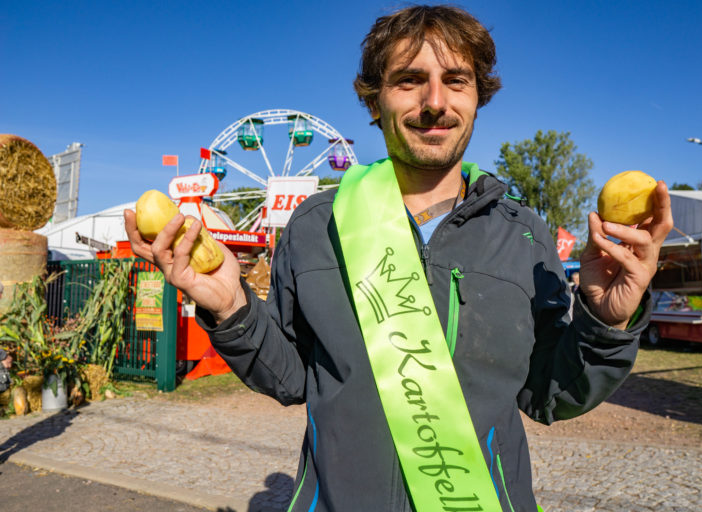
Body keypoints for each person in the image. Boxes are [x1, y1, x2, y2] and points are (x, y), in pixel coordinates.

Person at [124, 5, 672, 511]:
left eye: (456, 80)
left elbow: (551, 394)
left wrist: (607, 319)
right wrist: (230, 306)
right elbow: (290, 378)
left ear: (477, 97)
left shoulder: (524, 235)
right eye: (409, 80)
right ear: (374, 100)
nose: (434, 102)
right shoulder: (316, 225)